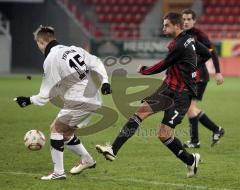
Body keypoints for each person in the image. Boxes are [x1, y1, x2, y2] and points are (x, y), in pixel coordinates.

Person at [96, 12, 211, 177]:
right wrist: (193, 65)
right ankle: (113, 149)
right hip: (167, 89)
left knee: (163, 134)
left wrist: (144, 71)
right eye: (163, 25)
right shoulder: (189, 40)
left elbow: (163, 64)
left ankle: (191, 160)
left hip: (181, 95)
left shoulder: (179, 45)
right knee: (139, 113)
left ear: (177, 26)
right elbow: (206, 53)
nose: (163, 28)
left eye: (166, 25)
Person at [14, 25, 112, 180]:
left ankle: (58, 173)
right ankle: (87, 160)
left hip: (80, 100)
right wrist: (105, 81)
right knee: (65, 133)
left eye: (37, 44)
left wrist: (27, 100)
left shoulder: (51, 59)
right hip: (93, 97)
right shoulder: (73, 49)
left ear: (41, 42)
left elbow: (45, 94)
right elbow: (96, 62)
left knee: (56, 129)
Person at [182, 9, 224, 148]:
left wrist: (218, 72)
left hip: (200, 77)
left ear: (194, 20)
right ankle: (215, 130)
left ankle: (196, 141)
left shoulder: (200, 35)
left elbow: (213, 53)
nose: (186, 21)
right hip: (191, 77)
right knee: (191, 108)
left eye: (189, 19)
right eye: (184, 19)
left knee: (190, 107)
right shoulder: (182, 36)